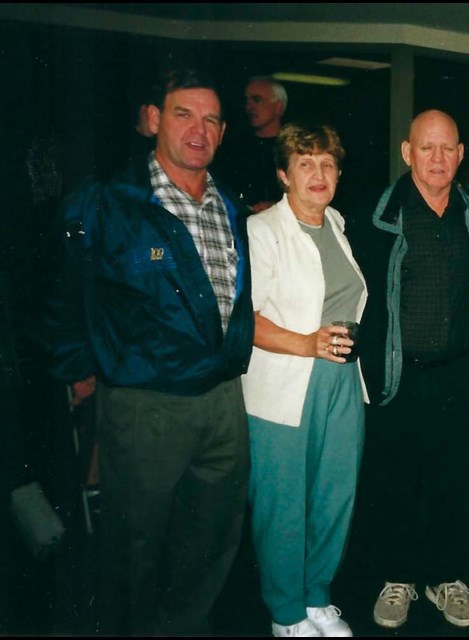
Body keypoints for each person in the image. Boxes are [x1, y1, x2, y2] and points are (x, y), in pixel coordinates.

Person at [43, 68, 253, 635]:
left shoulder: (227, 205)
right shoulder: (110, 203)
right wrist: (77, 371)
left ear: (224, 130)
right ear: (155, 119)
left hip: (222, 400)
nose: (198, 129)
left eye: (211, 119)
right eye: (184, 114)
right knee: (132, 547)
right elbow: (68, 294)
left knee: (213, 538)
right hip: (146, 405)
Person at [350, 109, 469, 630]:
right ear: (408, 153)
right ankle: (397, 577)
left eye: (447, 148)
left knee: (452, 482)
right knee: (393, 481)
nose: (437, 158)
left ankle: (446, 577)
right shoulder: (376, 213)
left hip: (457, 374)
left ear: (460, 154)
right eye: (426, 148)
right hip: (397, 376)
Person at [241, 123, 367, 637]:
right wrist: (308, 343)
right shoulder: (262, 230)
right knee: (283, 504)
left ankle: (317, 597)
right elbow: (243, 319)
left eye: (328, 164)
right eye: (305, 164)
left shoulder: (335, 221)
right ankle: (286, 613)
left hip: (342, 380)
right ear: (283, 175)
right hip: (284, 384)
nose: (319, 174)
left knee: (335, 495)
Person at [219, 76, 287, 213]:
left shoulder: (293, 149)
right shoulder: (234, 150)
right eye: (247, 101)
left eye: (257, 100)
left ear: (278, 107)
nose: (249, 107)